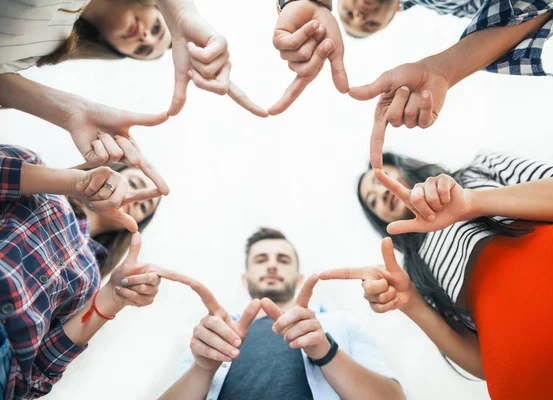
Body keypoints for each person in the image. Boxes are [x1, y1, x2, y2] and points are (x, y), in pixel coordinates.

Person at [320, 150, 553, 399]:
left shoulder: (479, 169)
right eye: (372, 201)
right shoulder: (414, 273)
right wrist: (410, 303)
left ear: (402, 168)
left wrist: (473, 202)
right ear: (380, 220)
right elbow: (481, 363)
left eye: (382, 181)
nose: (381, 194)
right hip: (534, 382)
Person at [271, 0, 553, 168]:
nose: (360, 15)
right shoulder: (459, 5)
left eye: (348, 12)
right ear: (397, 11)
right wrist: (443, 70)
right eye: (369, 26)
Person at [0, 0, 267, 192]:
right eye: (156, 29)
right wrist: (181, 10)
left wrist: (68, 111)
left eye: (140, 50)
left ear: (113, 48)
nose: (146, 39)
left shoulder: (43, 50)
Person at [160, 227, 406, 400]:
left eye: (283, 259)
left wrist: (325, 351)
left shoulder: (343, 324)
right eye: (261, 259)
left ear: (298, 278)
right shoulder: (209, 337)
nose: (272, 265)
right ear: (245, 279)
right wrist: (203, 368)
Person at [0, 144, 167, 399]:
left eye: (145, 206)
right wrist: (76, 181)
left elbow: (39, 373)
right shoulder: (39, 184)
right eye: (134, 184)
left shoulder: (91, 280)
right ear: (110, 173)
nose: (138, 199)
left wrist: (113, 296)